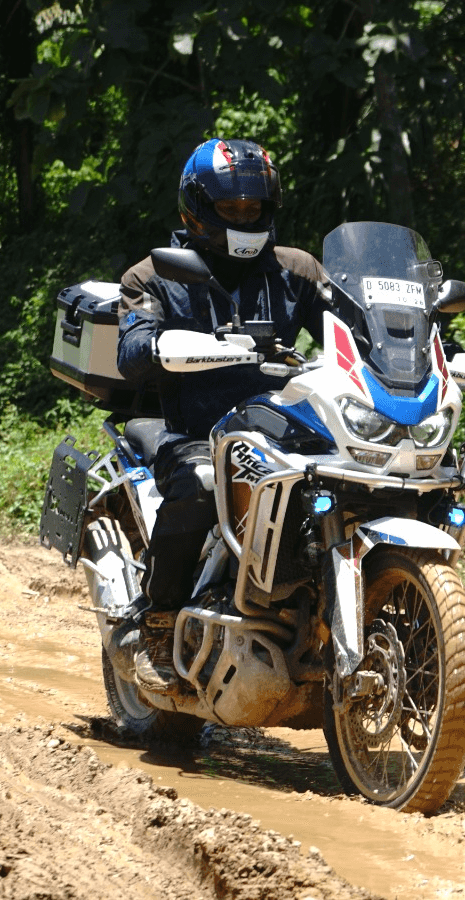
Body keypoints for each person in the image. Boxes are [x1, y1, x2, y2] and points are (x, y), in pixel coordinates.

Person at [116, 138, 334, 694]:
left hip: (284, 429)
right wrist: (164, 345)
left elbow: (350, 326)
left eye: (254, 208)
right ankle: (159, 624)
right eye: (231, 208)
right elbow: (132, 349)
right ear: (196, 208)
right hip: (195, 431)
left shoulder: (297, 271)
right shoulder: (153, 276)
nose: (244, 217)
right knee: (199, 484)